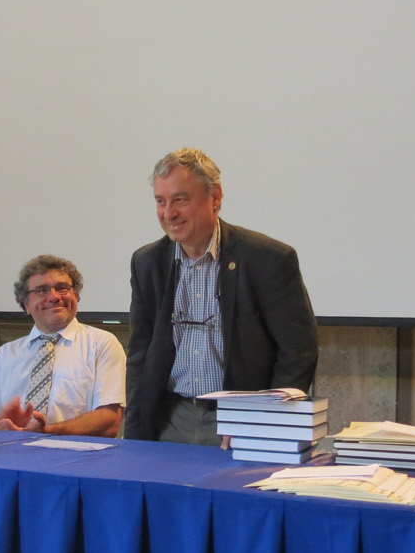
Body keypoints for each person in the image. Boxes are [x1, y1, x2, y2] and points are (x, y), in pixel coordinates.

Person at [125, 148, 319, 444]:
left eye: (180, 200)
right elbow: (140, 354)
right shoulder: (147, 263)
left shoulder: (268, 259)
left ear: (214, 198)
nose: (169, 213)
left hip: (242, 422)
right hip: (170, 421)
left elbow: (298, 352)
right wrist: (135, 435)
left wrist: (264, 421)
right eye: (161, 201)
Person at [0, 255, 125, 437]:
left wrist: (46, 432)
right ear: (26, 305)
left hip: (74, 452)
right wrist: (5, 430)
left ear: (76, 296)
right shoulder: (7, 353)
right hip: (12, 449)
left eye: (62, 288)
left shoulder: (102, 344)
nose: (54, 297)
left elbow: (110, 421)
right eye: (42, 291)